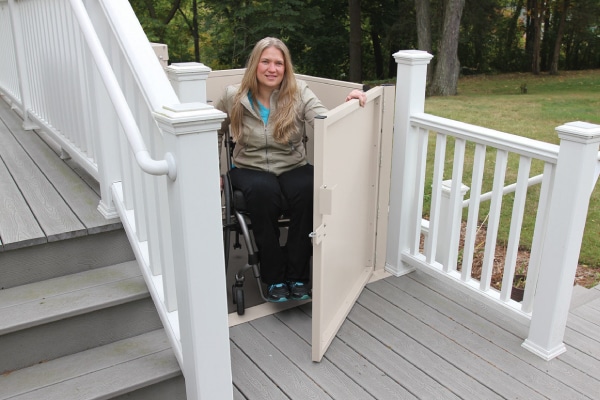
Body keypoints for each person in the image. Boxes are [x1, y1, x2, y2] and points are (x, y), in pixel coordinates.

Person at [217, 37, 366, 302]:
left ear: (286, 68)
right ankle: (274, 277)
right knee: (264, 192)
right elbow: (210, 130)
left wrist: (349, 103)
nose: (272, 68)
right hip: (248, 167)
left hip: (292, 164)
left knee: (309, 188)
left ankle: (297, 275)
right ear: (255, 64)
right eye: (266, 62)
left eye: (278, 63)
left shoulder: (299, 94)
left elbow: (325, 120)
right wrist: (210, 172)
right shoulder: (233, 96)